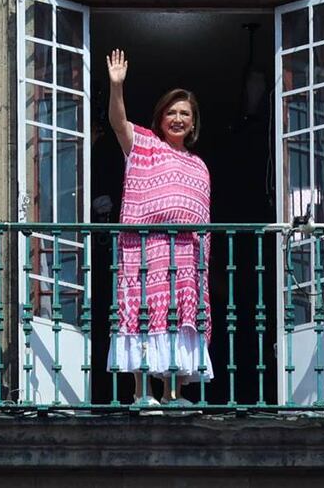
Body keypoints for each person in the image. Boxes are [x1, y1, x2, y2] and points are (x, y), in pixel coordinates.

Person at [105, 49, 213, 405]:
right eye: (172, 112)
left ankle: (173, 394)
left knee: (177, 319)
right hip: (144, 250)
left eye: (185, 114)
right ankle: (141, 394)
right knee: (142, 315)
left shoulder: (199, 166)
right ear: (161, 118)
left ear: (193, 123)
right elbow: (118, 124)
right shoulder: (146, 146)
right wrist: (116, 86)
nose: (178, 118)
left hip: (184, 257)